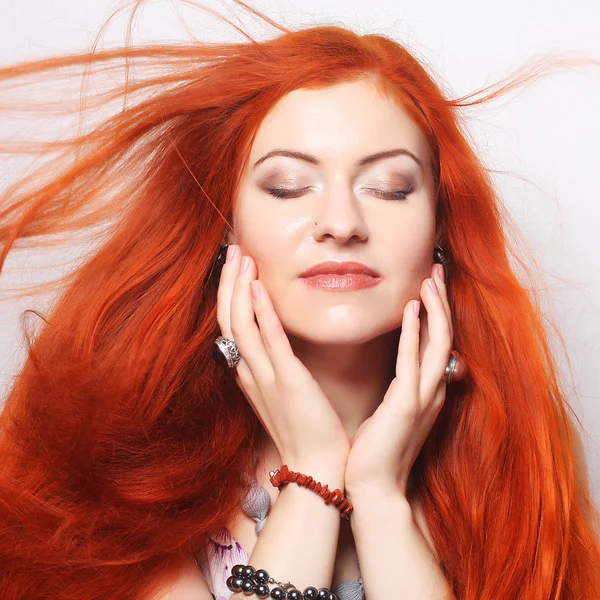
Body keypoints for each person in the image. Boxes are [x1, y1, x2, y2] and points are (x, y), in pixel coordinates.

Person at [0, 1, 598, 599]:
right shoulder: (134, 455)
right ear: (226, 224)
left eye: (390, 188)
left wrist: (381, 497)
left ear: (442, 229)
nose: (341, 222)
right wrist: (312, 468)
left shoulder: (518, 439)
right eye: (288, 187)